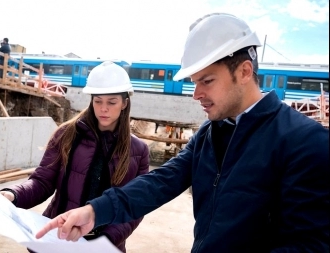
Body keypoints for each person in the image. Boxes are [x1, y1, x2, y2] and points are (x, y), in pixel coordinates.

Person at [36, 13, 329, 252]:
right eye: (194, 81)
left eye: (207, 81)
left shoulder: (305, 143)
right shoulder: (210, 135)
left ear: (244, 71)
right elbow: (160, 181)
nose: (195, 93)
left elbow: (311, 245)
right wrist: (95, 211)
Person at [0, 61, 150, 252]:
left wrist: (102, 243)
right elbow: (41, 182)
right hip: (56, 238)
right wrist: (13, 194)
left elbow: (134, 208)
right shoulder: (66, 134)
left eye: (111, 102)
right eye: (98, 101)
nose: (104, 108)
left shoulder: (139, 151)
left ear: (124, 103)